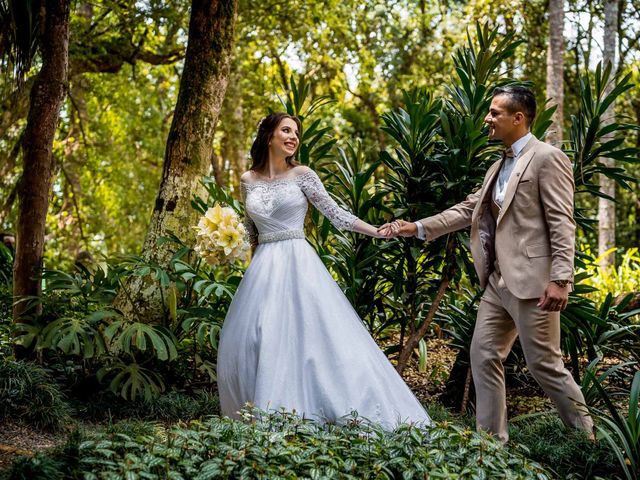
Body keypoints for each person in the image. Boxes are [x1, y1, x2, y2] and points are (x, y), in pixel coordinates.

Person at [379, 86, 593, 442]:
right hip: (498, 283)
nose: (487, 119)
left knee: (545, 366)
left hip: (535, 283)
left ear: (518, 118)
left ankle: (587, 440)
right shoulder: (497, 165)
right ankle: (491, 443)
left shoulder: (547, 158)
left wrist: (560, 279)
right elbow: (469, 211)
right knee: (483, 355)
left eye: (495, 113)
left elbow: (561, 221)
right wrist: (416, 227)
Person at [217, 112, 431, 429]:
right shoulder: (248, 181)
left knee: (314, 338)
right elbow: (250, 233)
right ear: (268, 136)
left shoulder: (303, 174)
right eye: (285, 130)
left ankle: (330, 411)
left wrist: (376, 231)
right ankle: (261, 413)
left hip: (298, 262)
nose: (293, 137)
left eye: (297, 133)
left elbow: (335, 214)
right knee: (254, 339)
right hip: (262, 269)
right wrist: (222, 246)